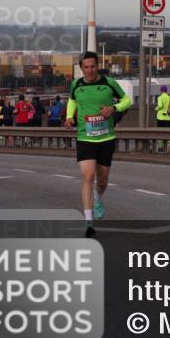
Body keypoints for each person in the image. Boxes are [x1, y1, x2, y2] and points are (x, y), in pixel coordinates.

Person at [65, 52, 134, 237]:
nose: (90, 70)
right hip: (85, 137)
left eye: (93, 66)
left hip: (106, 138)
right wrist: (69, 117)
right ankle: (88, 220)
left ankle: (98, 197)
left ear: (98, 66)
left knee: (102, 180)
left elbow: (127, 100)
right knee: (87, 176)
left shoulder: (109, 83)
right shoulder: (76, 84)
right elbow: (72, 101)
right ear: (82, 68)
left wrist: (114, 108)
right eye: (86, 67)